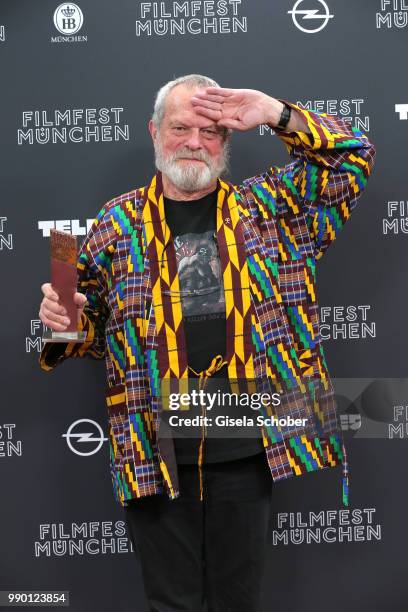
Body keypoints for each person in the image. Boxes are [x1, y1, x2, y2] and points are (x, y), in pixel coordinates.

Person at [38, 74, 375, 612]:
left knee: (237, 601)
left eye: (211, 131)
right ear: (154, 132)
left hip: (246, 441)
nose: (195, 142)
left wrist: (275, 112)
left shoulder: (272, 210)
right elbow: (91, 330)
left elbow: (353, 158)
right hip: (153, 445)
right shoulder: (114, 223)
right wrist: (65, 321)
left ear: (228, 141)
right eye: (180, 128)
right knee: (169, 602)